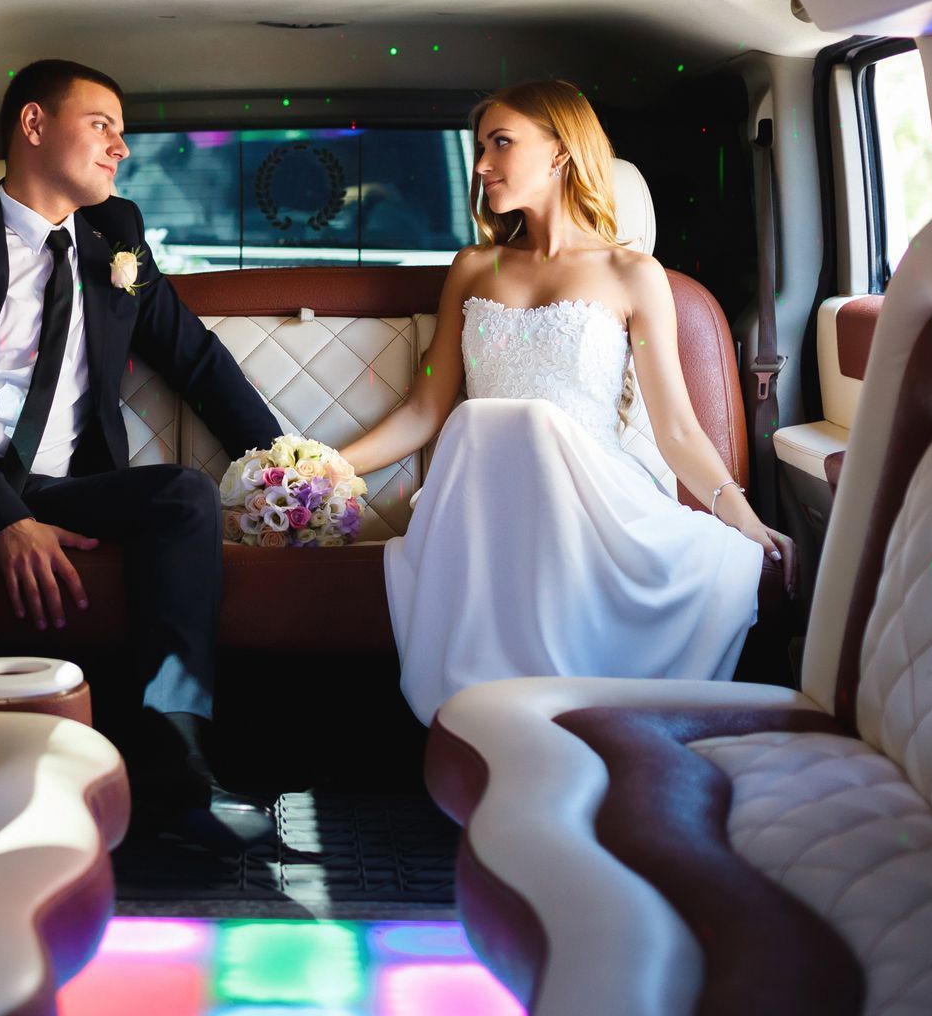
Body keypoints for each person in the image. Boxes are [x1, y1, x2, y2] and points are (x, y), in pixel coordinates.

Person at [0, 58, 282, 849]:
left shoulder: (117, 239)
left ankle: (173, 764)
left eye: (123, 132)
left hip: (61, 488)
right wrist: (2, 521)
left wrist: (290, 468)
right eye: (102, 125)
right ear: (34, 125)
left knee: (183, 494)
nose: (121, 147)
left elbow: (194, 360)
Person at [337, 79, 793, 724]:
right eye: (479, 146)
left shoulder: (633, 275)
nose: (482, 165)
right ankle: (500, 726)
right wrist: (322, 465)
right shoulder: (473, 267)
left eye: (501, 143)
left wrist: (746, 521)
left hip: (593, 498)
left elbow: (678, 430)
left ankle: (557, 720)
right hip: (482, 504)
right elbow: (424, 409)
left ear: (560, 153)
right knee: (481, 420)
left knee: (528, 422)